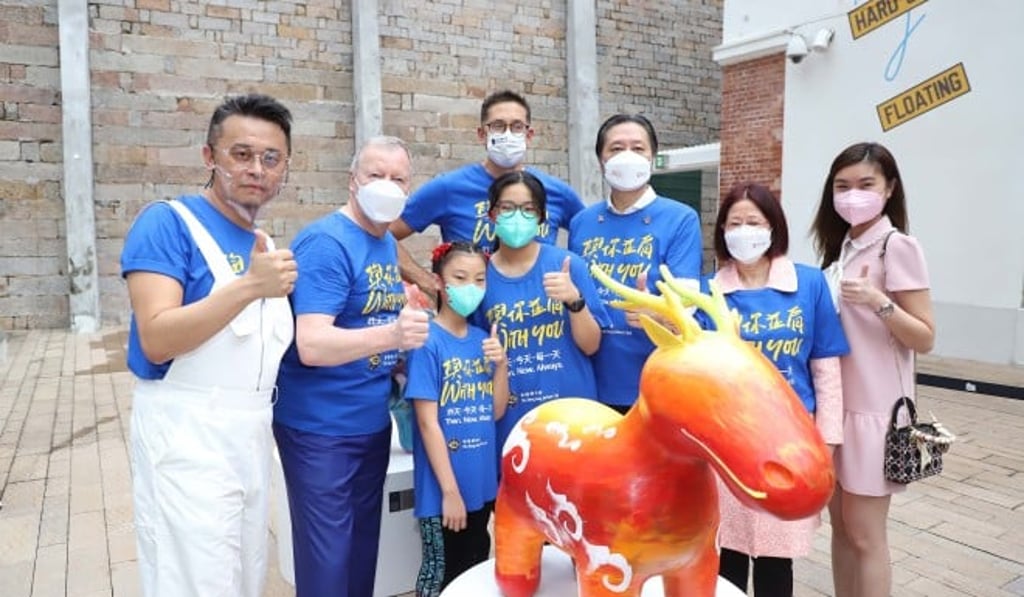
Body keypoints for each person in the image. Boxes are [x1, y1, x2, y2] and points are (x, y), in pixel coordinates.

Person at [120, 93, 297, 597]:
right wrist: (248, 287)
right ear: (209, 157)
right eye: (240, 154)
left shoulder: (261, 243)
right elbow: (156, 338)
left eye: (271, 158)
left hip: (250, 434)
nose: (256, 169)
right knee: (195, 578)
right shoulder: (168, 223)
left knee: (242, 573)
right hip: (188, 436)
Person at [273, 136, 432, 597]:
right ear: (352, 181)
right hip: (320, 429)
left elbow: (371, 322)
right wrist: (393, 337)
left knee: (362, 551)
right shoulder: (326, 242)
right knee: (328, 560)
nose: (386, 186)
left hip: (367, 420)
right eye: (375, 175)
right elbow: (313, 344)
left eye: (397, 179)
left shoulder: (381, 243)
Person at [701, 183, 849, 596]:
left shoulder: (808, 284)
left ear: (774, 227)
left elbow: (826, 367)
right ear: (722, 232)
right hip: (728, 442)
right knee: (725, 549)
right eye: (735, 223)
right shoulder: (706, 291)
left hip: (791, 440)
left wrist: (828, 443)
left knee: (775, 555)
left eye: (754, 222)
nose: (744, 231)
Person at [810, 142, 934, 597]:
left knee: (865, 534)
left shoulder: (896, 246)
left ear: (889, 189)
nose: (852, 195)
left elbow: (924, 335)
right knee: (840, 531)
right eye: (842, 186)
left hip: (875, 415)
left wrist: (879, 303)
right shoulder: (840, 247)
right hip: (835, 409)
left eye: (866, 184)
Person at [389, 89, 586, 298]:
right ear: (482, 134)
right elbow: (383, 233)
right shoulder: (448, 188)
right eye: (498, 126)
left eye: (517, 127)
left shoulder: (557, 192)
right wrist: (428, 283)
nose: (508, 134)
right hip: (470, 321)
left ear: (528, 136)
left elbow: (592, 236)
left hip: (540, 320)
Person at [568, 113, 703, 413]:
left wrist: (657, 310)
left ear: (653, 158)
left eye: (638, 148)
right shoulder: (582, 222)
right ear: (601, 160)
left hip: (653, 378)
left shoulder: (681, 218)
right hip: (589, 380)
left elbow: (687, 306)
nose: (627, 156)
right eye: (616, 148)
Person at [470, 170, 608, 451]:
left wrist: (574, 300)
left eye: (527, 209)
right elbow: (474, 352)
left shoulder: (568, 265)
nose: (517, 216)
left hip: (571, 417)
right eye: (507, 208)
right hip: (510, 420)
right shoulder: (479, 275)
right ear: (492, 214)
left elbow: (592, 345)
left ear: (542, 217)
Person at [404, 241, 510, 596]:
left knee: (475, 571)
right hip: (444, 494)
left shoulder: (483, 339)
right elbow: (427, 423)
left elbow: (495, 411)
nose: (471, 288)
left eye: (479, 280)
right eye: (460, 278)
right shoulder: (427, 342)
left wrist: (502, 366)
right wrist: (449, 492)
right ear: (438, 283)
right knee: (441, 575)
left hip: (480, 487)